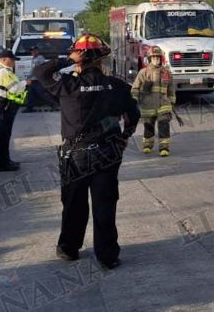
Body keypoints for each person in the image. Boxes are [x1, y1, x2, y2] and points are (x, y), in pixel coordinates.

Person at [33, 33, 139, 270]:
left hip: (76, 155)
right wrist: (123, 138)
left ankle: (69, 248)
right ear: (101, 60)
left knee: (74, 204)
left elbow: (40, 72)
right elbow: (133, 116)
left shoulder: (68, 86)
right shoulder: (118, 86)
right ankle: (107, 255)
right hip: (108, 153)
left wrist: (67, 60)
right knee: (105, 204)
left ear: (78, 60)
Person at [131, 46, 176, 157]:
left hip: (163, 105)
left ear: (161, 58)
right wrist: (133, 100)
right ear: (149, 58)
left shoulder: (167, 73)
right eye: (153, 57)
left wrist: (172, 101)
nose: (156, 59)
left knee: (163, 124)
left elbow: (171, 89)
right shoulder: (143, 72)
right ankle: (148, 145)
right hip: (148, 105)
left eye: (158, 57)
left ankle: (164, 148)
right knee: (148, 125)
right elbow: (135, 88)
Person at [0, 50, 29, 172]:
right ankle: (3, 165)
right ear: (5, 59)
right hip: (3, 105)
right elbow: (14, 89)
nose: (14, 62)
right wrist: (26, 82)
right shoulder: (3, 72)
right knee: (4, 136)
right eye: (13, 60)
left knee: (4, 135)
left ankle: (6, 161)